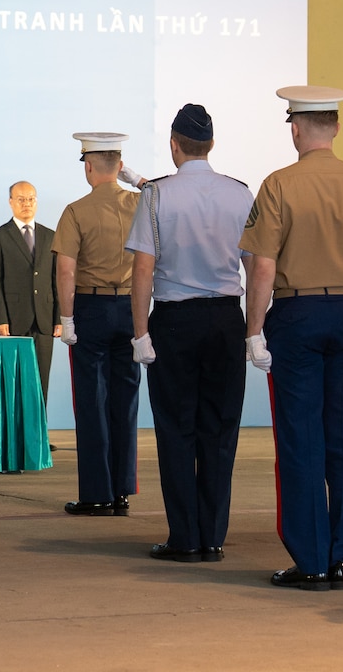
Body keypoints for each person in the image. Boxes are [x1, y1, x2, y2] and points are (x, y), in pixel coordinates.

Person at [242, 87, 343, 590]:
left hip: (297, 313)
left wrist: (254, 329)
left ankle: (309, 559)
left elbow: (262, 266)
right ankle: (339, 557)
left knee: (300, 438)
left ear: (295, 128)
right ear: (336, 127)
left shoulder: (279, 186)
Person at [128, 104, 254, 563]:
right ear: (212, 145)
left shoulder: (157, 195)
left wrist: (140, 332)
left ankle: (184, 536)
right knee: (219, 430)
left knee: (176, 428)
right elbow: (256, 267)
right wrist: (254, 328)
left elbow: (143, 268)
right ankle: (213, 536)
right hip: (225, 318)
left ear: (174, 145)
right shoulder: (240, 193)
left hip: (175, 320)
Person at [56, 132, 142, 517]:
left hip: (91, 309)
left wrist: (66, 318)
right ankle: (122, 489)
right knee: (125, 402)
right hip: (130, 307)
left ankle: (97, 494)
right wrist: (140, 183)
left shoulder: (76, 210)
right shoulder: (141, 203)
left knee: (92, 401)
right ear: (120, 166)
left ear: (89, 167)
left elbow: (65, 269)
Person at [0, 181, 59, 403]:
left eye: (31, 199)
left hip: (45, 320)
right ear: (10, 202)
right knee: (15, 383)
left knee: (41, 381)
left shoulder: (51, 236)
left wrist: (59, 317)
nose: (27, 204)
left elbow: (57, 280)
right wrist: (0, 318)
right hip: (13, 322)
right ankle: (16, 437)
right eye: (21, 199)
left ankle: (38, 436)